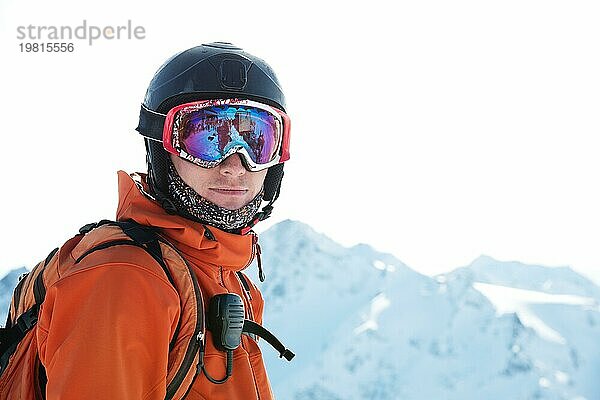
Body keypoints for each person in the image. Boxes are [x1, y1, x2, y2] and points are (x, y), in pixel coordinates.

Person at [35, 42, 292, 399]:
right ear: (161, 147)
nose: (235, 163)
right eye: (207, 138)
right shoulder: (125, 276)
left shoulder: (227, 278)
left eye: (256, 140)